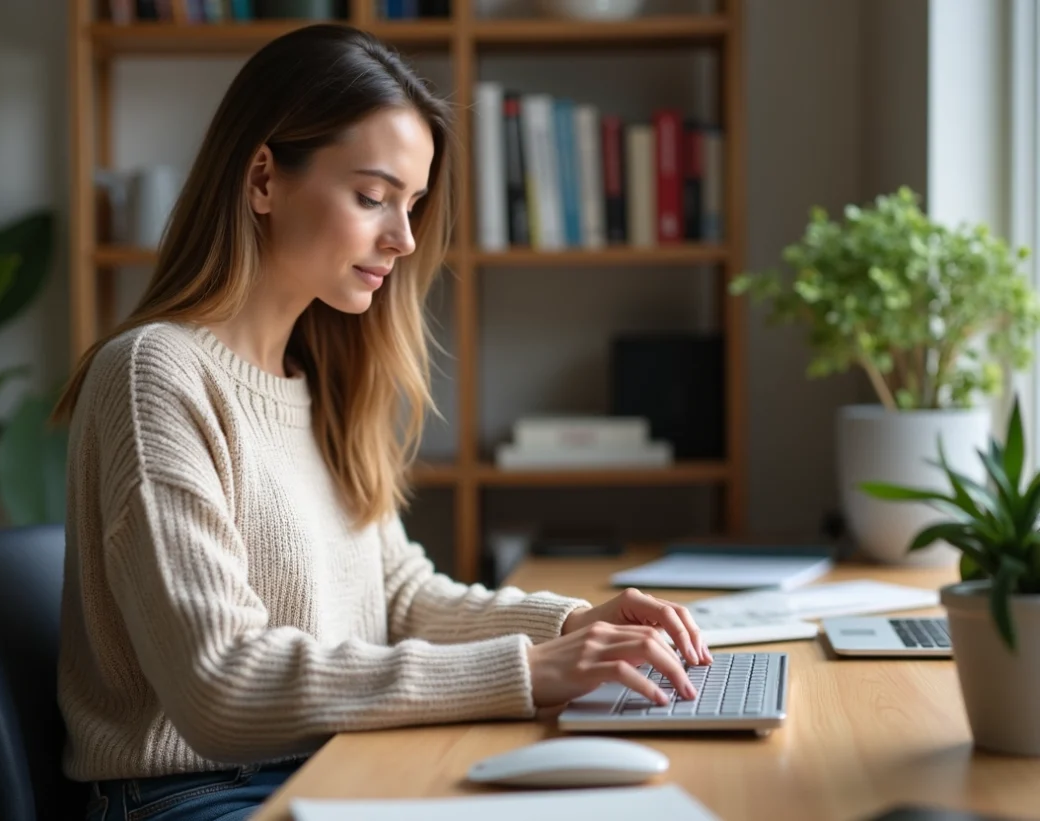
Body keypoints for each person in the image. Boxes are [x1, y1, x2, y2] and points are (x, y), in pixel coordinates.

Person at [52, 23, 711, 821]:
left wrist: (572, 623)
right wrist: (531, 670)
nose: (401, 239)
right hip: (194, 796)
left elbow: (399, 599)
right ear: (263, 178)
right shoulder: (154, 373)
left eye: (413, 204)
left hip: (327, 766)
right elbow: (218, 686)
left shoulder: (319, 377)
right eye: (372, 197)